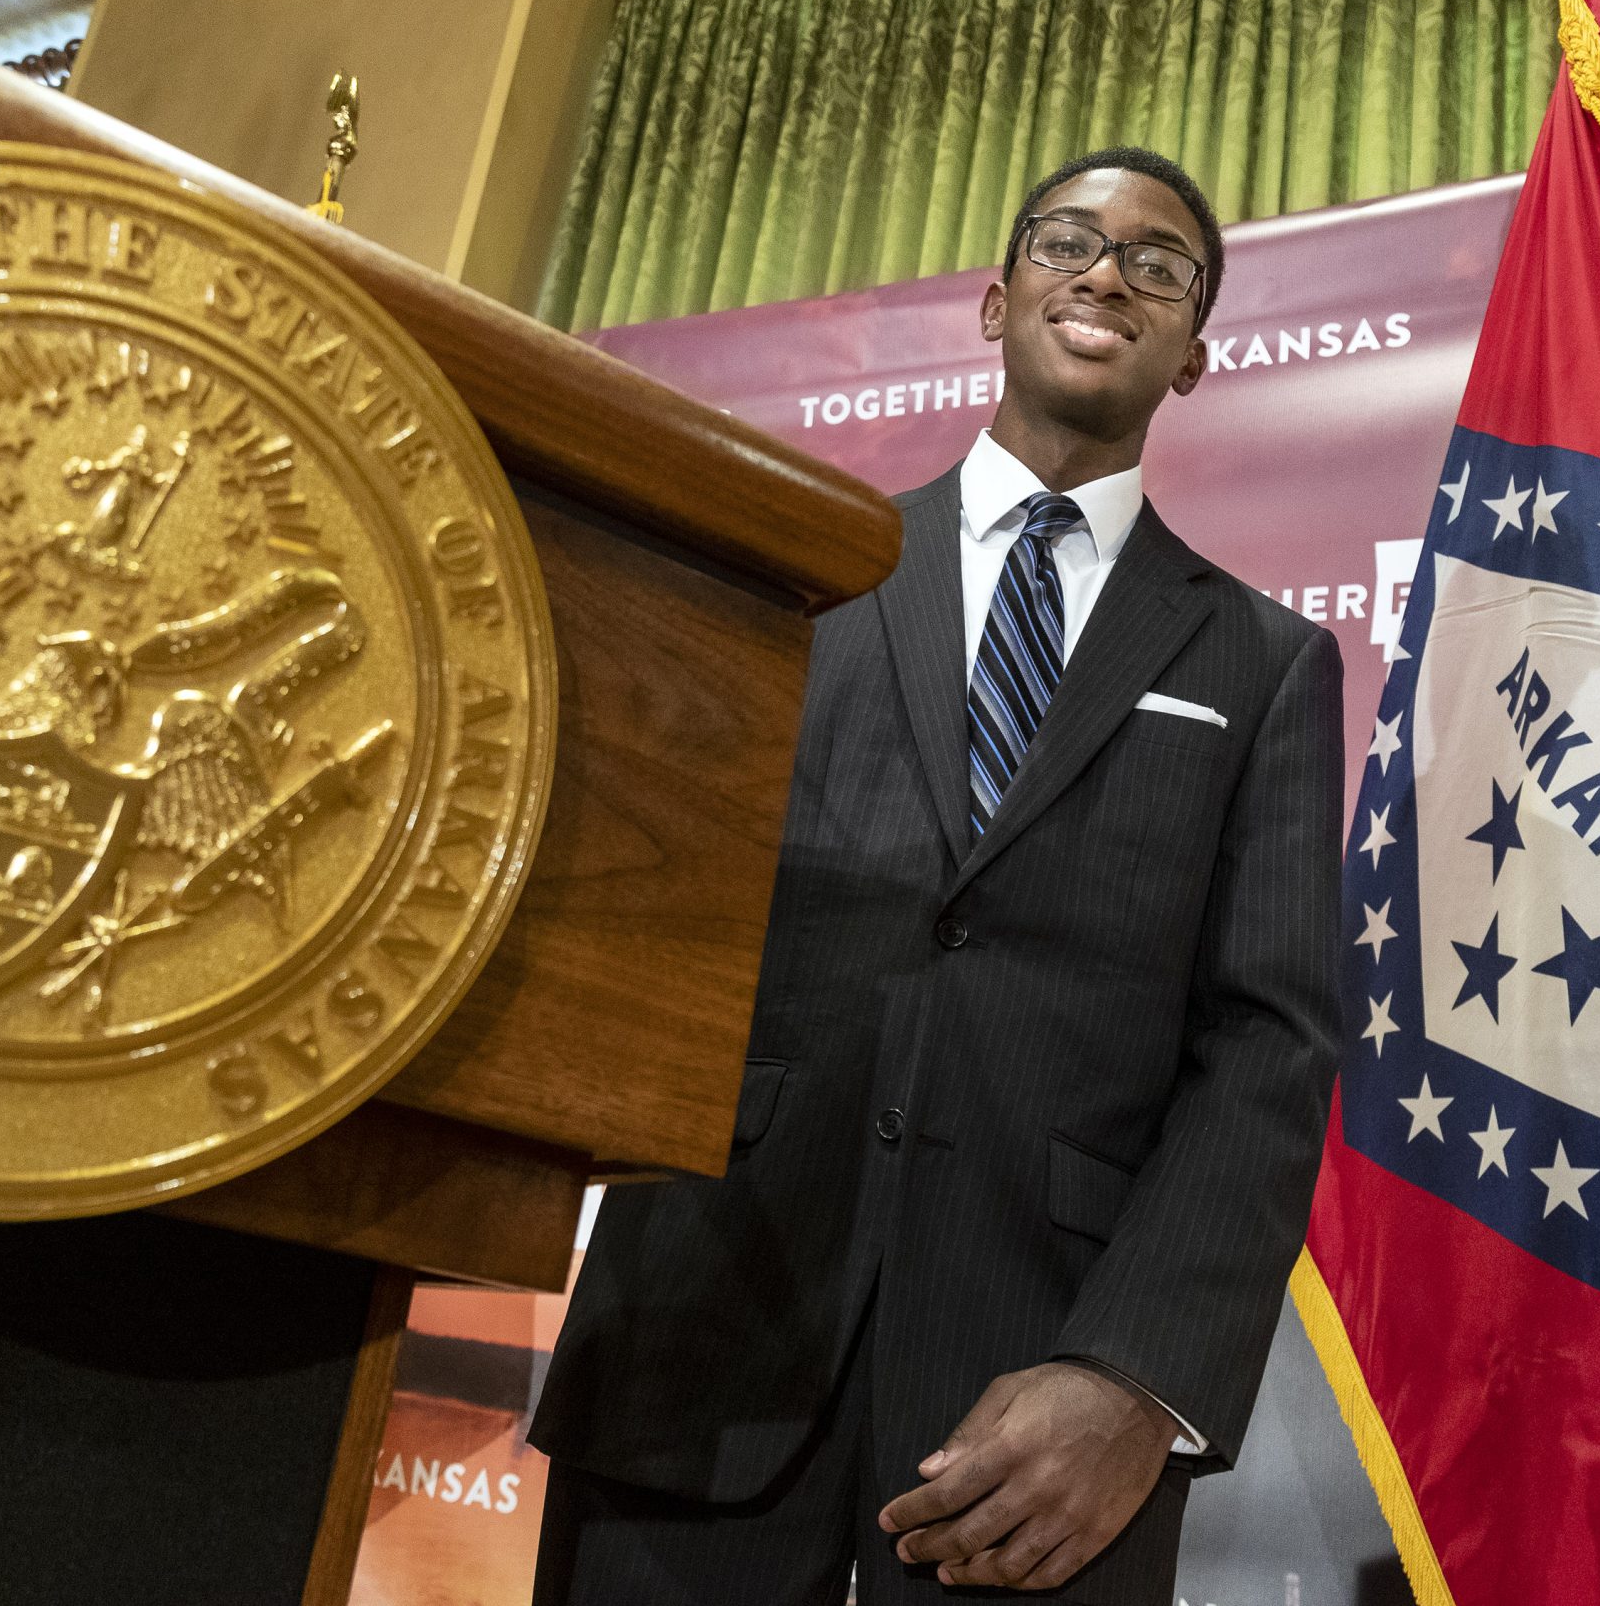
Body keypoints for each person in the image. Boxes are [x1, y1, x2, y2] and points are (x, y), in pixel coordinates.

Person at [529, 146, 1344, 1601]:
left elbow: (1268, 1054)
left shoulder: (1266, 665)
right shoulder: (792, 564)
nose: (1108, 273)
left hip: (1042, 1410)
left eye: (1160, 265)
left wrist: (1136, 1381)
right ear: (994, 299)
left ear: (1197, 357)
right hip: (706, 1333)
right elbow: (649, 910)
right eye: (1071, 241)